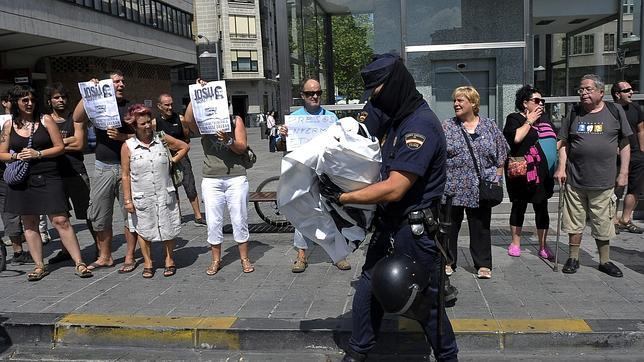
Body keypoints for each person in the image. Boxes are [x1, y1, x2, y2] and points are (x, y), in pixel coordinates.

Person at [320, 54, 457, 361]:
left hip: (416, 233)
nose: (374, 101)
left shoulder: (418, 125)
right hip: (391, 226)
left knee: (425, 306)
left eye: (377, 94)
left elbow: (396, 188)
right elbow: (361, 135)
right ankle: (358, 352)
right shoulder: (397, 118)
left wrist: (343, 198)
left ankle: (448, 357)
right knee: (369, 291)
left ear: (395, 85)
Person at [0, 85, 92, 281]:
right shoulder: (9, 126)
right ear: (16, 102)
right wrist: (15, 156)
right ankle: (39, 265)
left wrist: (38, 153)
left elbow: (59, 147)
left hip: (49, 176)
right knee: (30, 222)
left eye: (32, 99)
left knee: (60, 220)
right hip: (22, 180)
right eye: (25, 100)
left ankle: (79, 262)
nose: (30, 103)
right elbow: (2, 153)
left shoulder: (45, 119)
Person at [555, 74, 632, 277]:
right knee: (574, 221)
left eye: (588, 89)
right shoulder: (574, 112)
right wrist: (561, 167)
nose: (583, 93)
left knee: (603, 221)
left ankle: (604, 261)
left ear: (601, 92)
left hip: (604, 180)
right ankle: (573, 257)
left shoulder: (614, 111)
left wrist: (623, 172)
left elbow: (624, 144)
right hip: (575, 179)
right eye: (581, 89)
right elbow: (563, 143)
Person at [184, 79, 254, 275]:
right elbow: (188, 120)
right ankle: (216, 260)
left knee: (239, 218)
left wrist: (229, 140)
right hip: (211, 178)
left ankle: (244, 258)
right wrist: (196, 93)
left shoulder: (235, 120)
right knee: (213, 221)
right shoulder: (204, 120)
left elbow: (242, 147)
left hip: (235, 177)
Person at [73, 70, 139, 273]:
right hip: (103, 167)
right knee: (99, 215)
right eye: (116, 82)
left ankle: (129, 256)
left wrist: (122, 137)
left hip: (126, 168)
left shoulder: (130, 107)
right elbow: (77, 117)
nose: (121, 85)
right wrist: (90, 92)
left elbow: (143, 135)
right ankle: (105, 257)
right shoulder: (96, 103)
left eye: (122, 81)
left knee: (130, 214)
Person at [442, 86, 507, 279]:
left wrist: (496, 178)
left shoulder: (489, 126)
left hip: (480, 187)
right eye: (455, 100)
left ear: (473, 103)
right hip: (452, 187)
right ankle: (447, 261)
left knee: (480, 226)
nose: (456, 104)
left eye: (460, 100)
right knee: (449, 227)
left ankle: (483, 264)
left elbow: (501, 154)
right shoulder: (447, 126)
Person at [288, 78, 351, 273]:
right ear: (302, 96)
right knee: (302, 212)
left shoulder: (331, 118)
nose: (314, 96)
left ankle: (338, 254)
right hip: (303, 172)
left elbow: (340, 146)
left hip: (326, 173)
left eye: (318, 93)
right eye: (309, 93)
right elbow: (285, 148)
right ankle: (301, 255)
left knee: (331, 212)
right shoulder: (295, 118)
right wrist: (284, 137)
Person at [121, 104, 189, 278]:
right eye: (142, 124)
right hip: (141, 194)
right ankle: (148, 261)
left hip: (164, 191)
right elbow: (125, 175)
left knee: (168, 226)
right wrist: (127, 200)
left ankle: (169, 259)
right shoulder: (128, 146)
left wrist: (172, 160)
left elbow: (184, 147)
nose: (147, 126)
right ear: (134, 126)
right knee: (143, 228)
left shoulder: (162, 138)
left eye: (148, 122)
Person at [44, 82, 95, 264]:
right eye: (56, 97)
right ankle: (66, 250)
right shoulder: (45, 121)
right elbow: (42, 145)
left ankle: (99, 246)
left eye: (63, 97)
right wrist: (67, 142)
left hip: (76, 172)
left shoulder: (75, 119)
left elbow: (80, 144)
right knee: (60, 216)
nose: (60, 100)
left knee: (89, 212)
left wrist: (55, 145)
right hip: (53, 174)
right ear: (50, 101)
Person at [503, 85, 556, 259]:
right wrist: (529, 121)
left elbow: (554, 142)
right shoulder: (514, 118)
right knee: (519, 206)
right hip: (522, 171)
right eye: (537, 100)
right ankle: (515, 243)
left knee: (542, 208)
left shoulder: (546, 119)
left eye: (543, 101)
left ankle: (543, 245)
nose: (541, 103)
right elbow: (516, 138)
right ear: (525, 103)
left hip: (543, 172)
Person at [152, 93, 206, 226]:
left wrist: (180, 148)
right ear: (159, 106)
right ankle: (177, 215)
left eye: (171, 104)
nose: (170, 107)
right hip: (165, 158)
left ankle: (198, 216)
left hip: (181, 156)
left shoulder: (180, 119)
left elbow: (187, 137)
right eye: (166, 105)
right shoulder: (155, 123)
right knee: (171, 187)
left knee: (189, 184)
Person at [0, 88, 30, 265]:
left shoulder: (11, 122)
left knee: (9, 210)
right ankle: (17, 251)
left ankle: (18, 249)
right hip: (5, 170)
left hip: (7, 169)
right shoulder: (8, 123)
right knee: (9, 210)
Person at [610, 81, 643, 234]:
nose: (631, 93)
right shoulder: (610, 109)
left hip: (636, 154)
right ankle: (613, 220)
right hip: (617, 156)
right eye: (627, 90)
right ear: (617, 94)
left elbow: (641, 129)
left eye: (631, 90)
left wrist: (642, 150)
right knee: (617, 189)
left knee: (635, 188)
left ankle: (625, 219)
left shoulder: (636, 108)